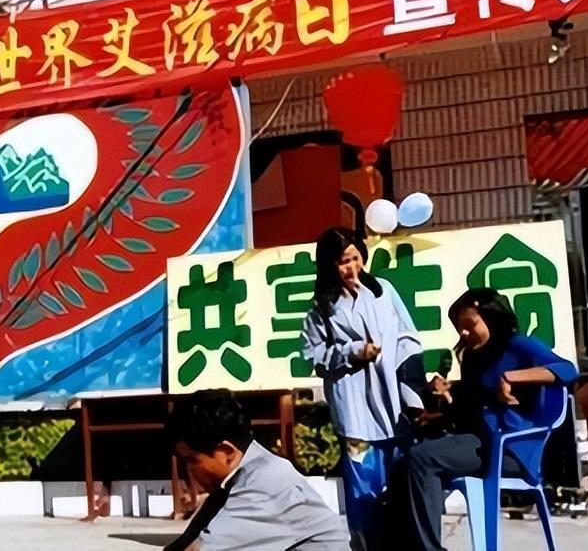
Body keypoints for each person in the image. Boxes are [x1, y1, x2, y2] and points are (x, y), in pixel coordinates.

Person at [405, 288, 577, 551]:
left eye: (470, 325)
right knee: (404, 462)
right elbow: (471, 409)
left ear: (491, 318)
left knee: (423, 457)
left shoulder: (518, 346)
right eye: (459, 328)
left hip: (510, 450)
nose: (464, 333)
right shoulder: (472, 358)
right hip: (481, 442)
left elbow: (567, 369)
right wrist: (440, 406)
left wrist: (512, 378)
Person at [301, 227, 425, 550]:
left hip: (394, 406)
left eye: (355, 258)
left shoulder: (383, 291)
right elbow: (313, 356)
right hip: (356, 412)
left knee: (401, 484)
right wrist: (352, 352)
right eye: (343, 261)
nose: (351, 267)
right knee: (363, 489)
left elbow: (408, 337)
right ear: (329, 264)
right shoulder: (322, 308)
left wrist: (412, 388)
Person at [164, 389, 350, 551]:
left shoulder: (263, 487)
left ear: (227, 452)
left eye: (191, 461)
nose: (189, 471)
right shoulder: (236, 479)